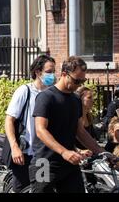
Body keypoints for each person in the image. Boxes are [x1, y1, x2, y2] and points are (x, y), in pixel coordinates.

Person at [29, 56, 106, 193]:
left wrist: (101, 152)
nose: (79, 84)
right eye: (77, 80)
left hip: (69, 163)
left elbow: (80, 131)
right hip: (45, 163)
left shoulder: (76, 99)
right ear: (64, 74)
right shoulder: (46, 97)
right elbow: (40, 130)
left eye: (82, 80)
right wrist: (64, 152)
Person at [4, 54, 56, 192]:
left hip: (43, 155)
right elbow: (9, 120)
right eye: (49, 72)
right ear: (38, 72)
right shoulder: (25, 91)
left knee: (42, 188)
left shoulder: (52, 93)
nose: (53, 75)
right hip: (24, 153)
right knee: (22, 189)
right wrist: (14, 147)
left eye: (53, 71)